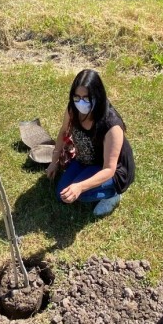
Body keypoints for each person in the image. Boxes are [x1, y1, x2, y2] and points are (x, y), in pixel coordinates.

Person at [46, 69, 135, 216]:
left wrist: (80, 187)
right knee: (62, 194)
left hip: (110, 169)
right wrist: (54, 161)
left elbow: (109, 169)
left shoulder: (111, 125)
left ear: (97, 96)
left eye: (86, 98)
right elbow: (63, 132)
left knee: (80, 194)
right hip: (85, 159)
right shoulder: (73, 109)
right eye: (77, 97)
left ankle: (113, 195)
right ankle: (86, 181)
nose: (81, 102)